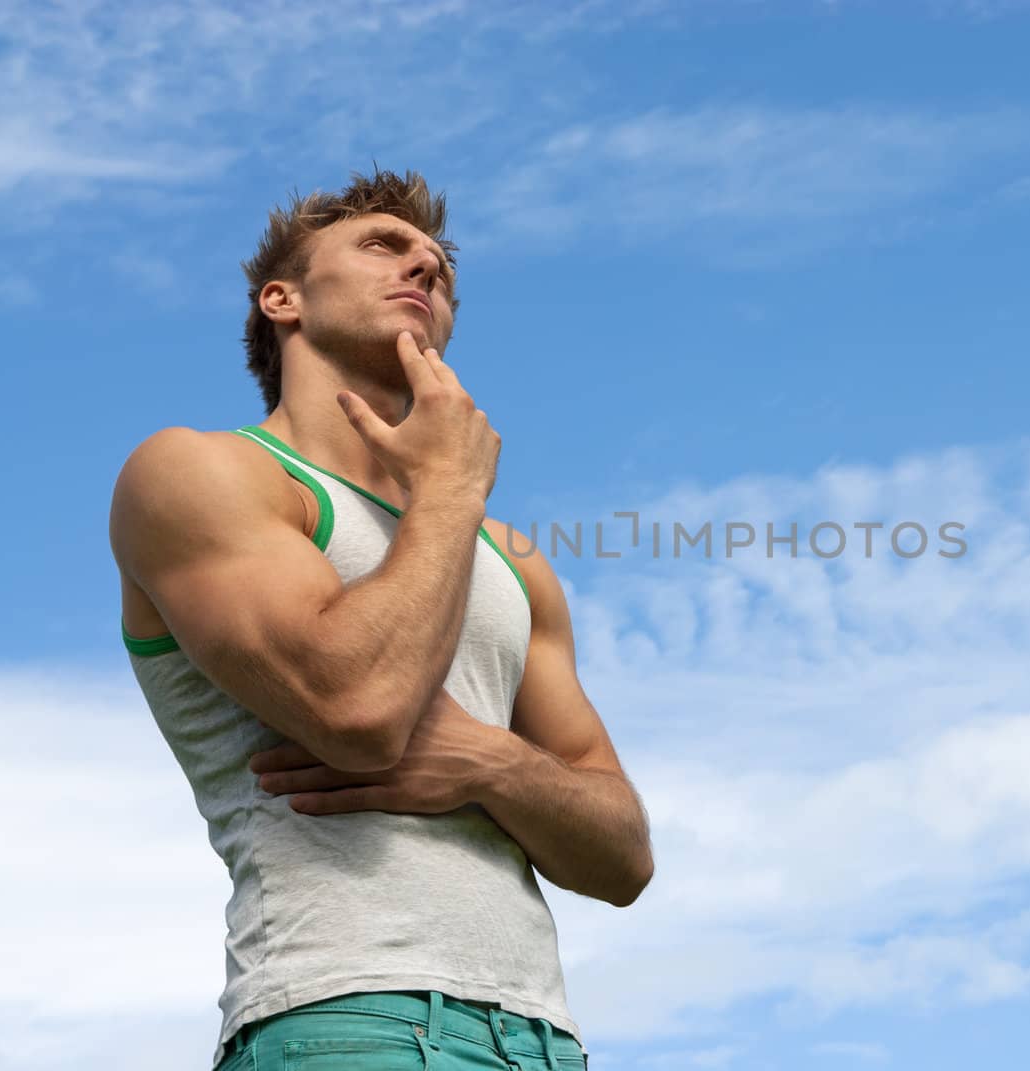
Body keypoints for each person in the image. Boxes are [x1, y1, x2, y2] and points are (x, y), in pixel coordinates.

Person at [108, 166, 653, 1071]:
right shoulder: (202, 472)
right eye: (382, 246)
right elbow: (358, 709)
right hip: (347, 1015)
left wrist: (494, 762)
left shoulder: (512, 562)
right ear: (281, 299)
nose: (425, 268)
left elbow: (623, 856)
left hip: (547, 1040)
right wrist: (450, 485)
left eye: (439, 265)